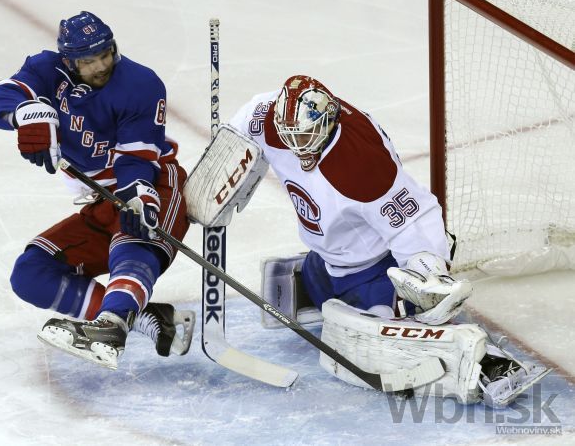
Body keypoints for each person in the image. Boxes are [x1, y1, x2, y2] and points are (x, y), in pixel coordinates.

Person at [223, 75, 549, 406]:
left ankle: (490, 361)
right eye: (289, 135)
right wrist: (221, 168)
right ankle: (326, 283)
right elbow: (241, 130)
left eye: (306, 135)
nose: (297, 146)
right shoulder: (266, 117)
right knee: (322, 290)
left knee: (389, 336)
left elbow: (416, 218)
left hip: (373, 271)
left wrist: (427, 272)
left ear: (328, 120)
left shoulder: (361, 166)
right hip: (324, 261)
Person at [0, 11, 194, 370]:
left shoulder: (140, 84)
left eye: (105, 54)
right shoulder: (46, 70)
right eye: (88, 60)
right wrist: (26, 113)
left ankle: (110, 329)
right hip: (100, 201)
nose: (100, 66)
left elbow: (137, 158)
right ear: (68, 60)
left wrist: (139, 196)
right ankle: (143, 317)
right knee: (31, 274)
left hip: (153, 183)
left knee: (133, 233)